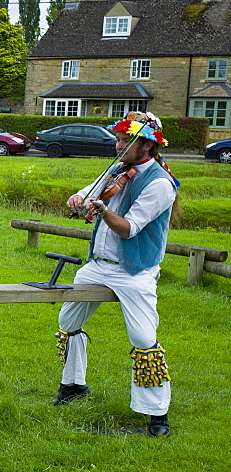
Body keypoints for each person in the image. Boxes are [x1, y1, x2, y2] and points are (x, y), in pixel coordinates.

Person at [54, 111, 178, 437]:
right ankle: (73, 385)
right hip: (97, 266)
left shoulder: (161, 184)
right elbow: (87, 194)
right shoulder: (117, 169)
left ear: (148, 145)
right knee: (68, 323)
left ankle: (157, 414)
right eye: (120, 139)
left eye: (126, 140)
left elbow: (129, 228)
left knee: (142, 338)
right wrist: (78, 198)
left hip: (134, 271)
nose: (118, 145)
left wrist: (104, 211)